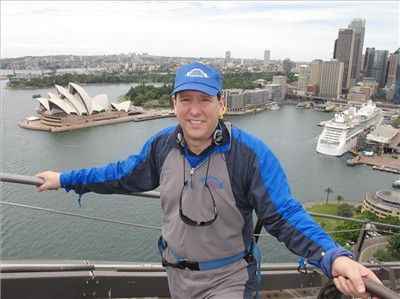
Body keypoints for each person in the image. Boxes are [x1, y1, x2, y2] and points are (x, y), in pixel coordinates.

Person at [37, 62, 381, 299]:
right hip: (177, 275)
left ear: (221, 103)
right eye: (185, 100)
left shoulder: (247, 154)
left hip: (229, 279)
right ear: (174, 104)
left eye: (204, 99)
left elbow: (283, 214)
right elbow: (121, 174)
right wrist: (65, 178)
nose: (195, 110)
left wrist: (334, 257)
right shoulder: (162, 146)